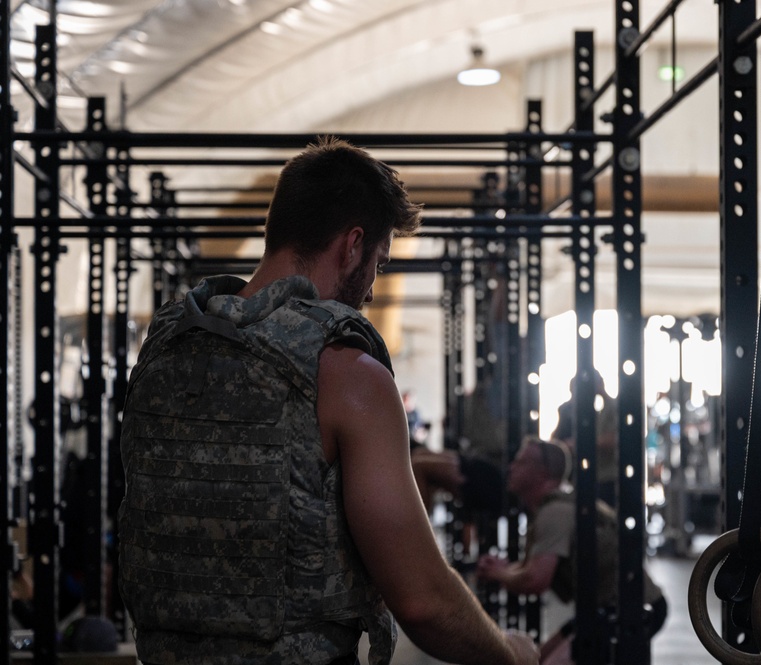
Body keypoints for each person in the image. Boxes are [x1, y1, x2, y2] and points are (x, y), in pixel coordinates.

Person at [117, 137, 538, 665]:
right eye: (379, 263)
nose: (369, 291)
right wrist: (511, 654)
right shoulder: (345, 371)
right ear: (353, 245)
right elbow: (423, 601)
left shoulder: (164, 346)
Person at [477, 437, 667, 664]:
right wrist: (506, 569)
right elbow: (532, 567)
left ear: (542, 472)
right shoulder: (553, 507)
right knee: (536, 659)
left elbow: (535, 580)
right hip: (601, 609)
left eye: (521, 462)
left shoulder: (555, 513)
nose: (511, 467)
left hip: (633, 609)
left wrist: (499, 573)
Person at [411, 378, 506, 517]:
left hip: (487, 468)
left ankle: (417, 532)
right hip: (476, 458)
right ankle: (421, 524)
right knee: (418, 455)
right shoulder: (483, 395)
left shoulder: (497, 396)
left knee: (418, 465)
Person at [551, 373, 619, 507]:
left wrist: (580, 443)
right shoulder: (568, 410)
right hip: (577, 478)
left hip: (605, 477)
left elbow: (612, 440)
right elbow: (556, 439)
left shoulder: (610, 408)